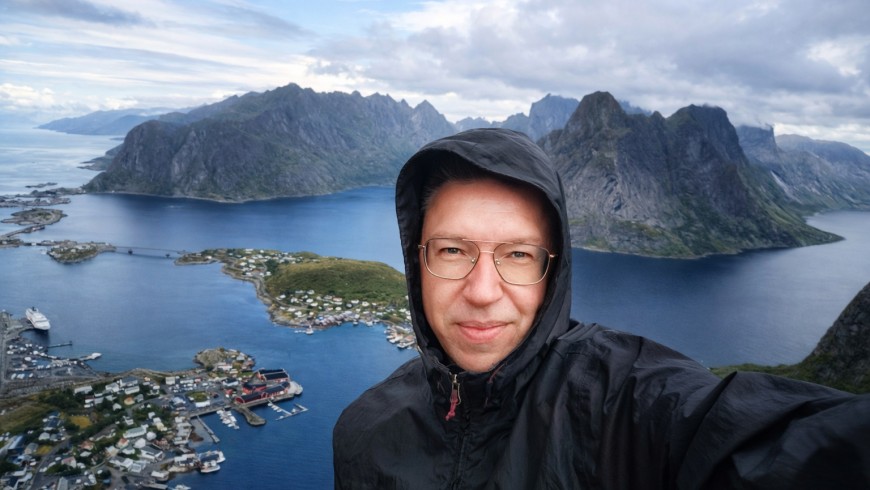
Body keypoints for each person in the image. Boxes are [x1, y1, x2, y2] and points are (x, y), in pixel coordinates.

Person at [333, 128, 869, 489]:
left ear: (553, 272)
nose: (482, 291)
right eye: (453, 250)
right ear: (418, 261)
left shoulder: (624, 408)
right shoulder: (363, 430)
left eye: (518, 255)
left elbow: (776, 446)